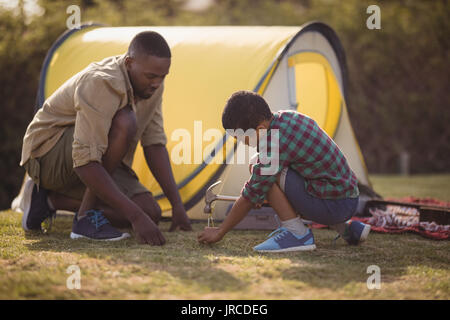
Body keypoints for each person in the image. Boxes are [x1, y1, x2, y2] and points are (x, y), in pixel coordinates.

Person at [18, 31, 191, 245]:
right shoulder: (102, 82)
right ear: (129, 63)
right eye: (151, 76)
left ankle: (48, 201)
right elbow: (84, 161)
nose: (157, 83)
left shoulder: (151, 86)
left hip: (94, 156)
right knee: (125, 121)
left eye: (162, 76)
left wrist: (177, 206)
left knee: (151, 212)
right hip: (46, 156)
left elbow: (154, 144)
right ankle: (83, 220)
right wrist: (135, 217)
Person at [198, 91, 370, 252]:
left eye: (241, 138)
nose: (241, 143)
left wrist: (220, 230)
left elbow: (252, 192)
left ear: (259, 129)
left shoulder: (274, 142)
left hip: (336, 205)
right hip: (345, 197)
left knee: (263, 174)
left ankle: (297, 234)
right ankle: (346, 229)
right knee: (259, 166)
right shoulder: (285, 119)